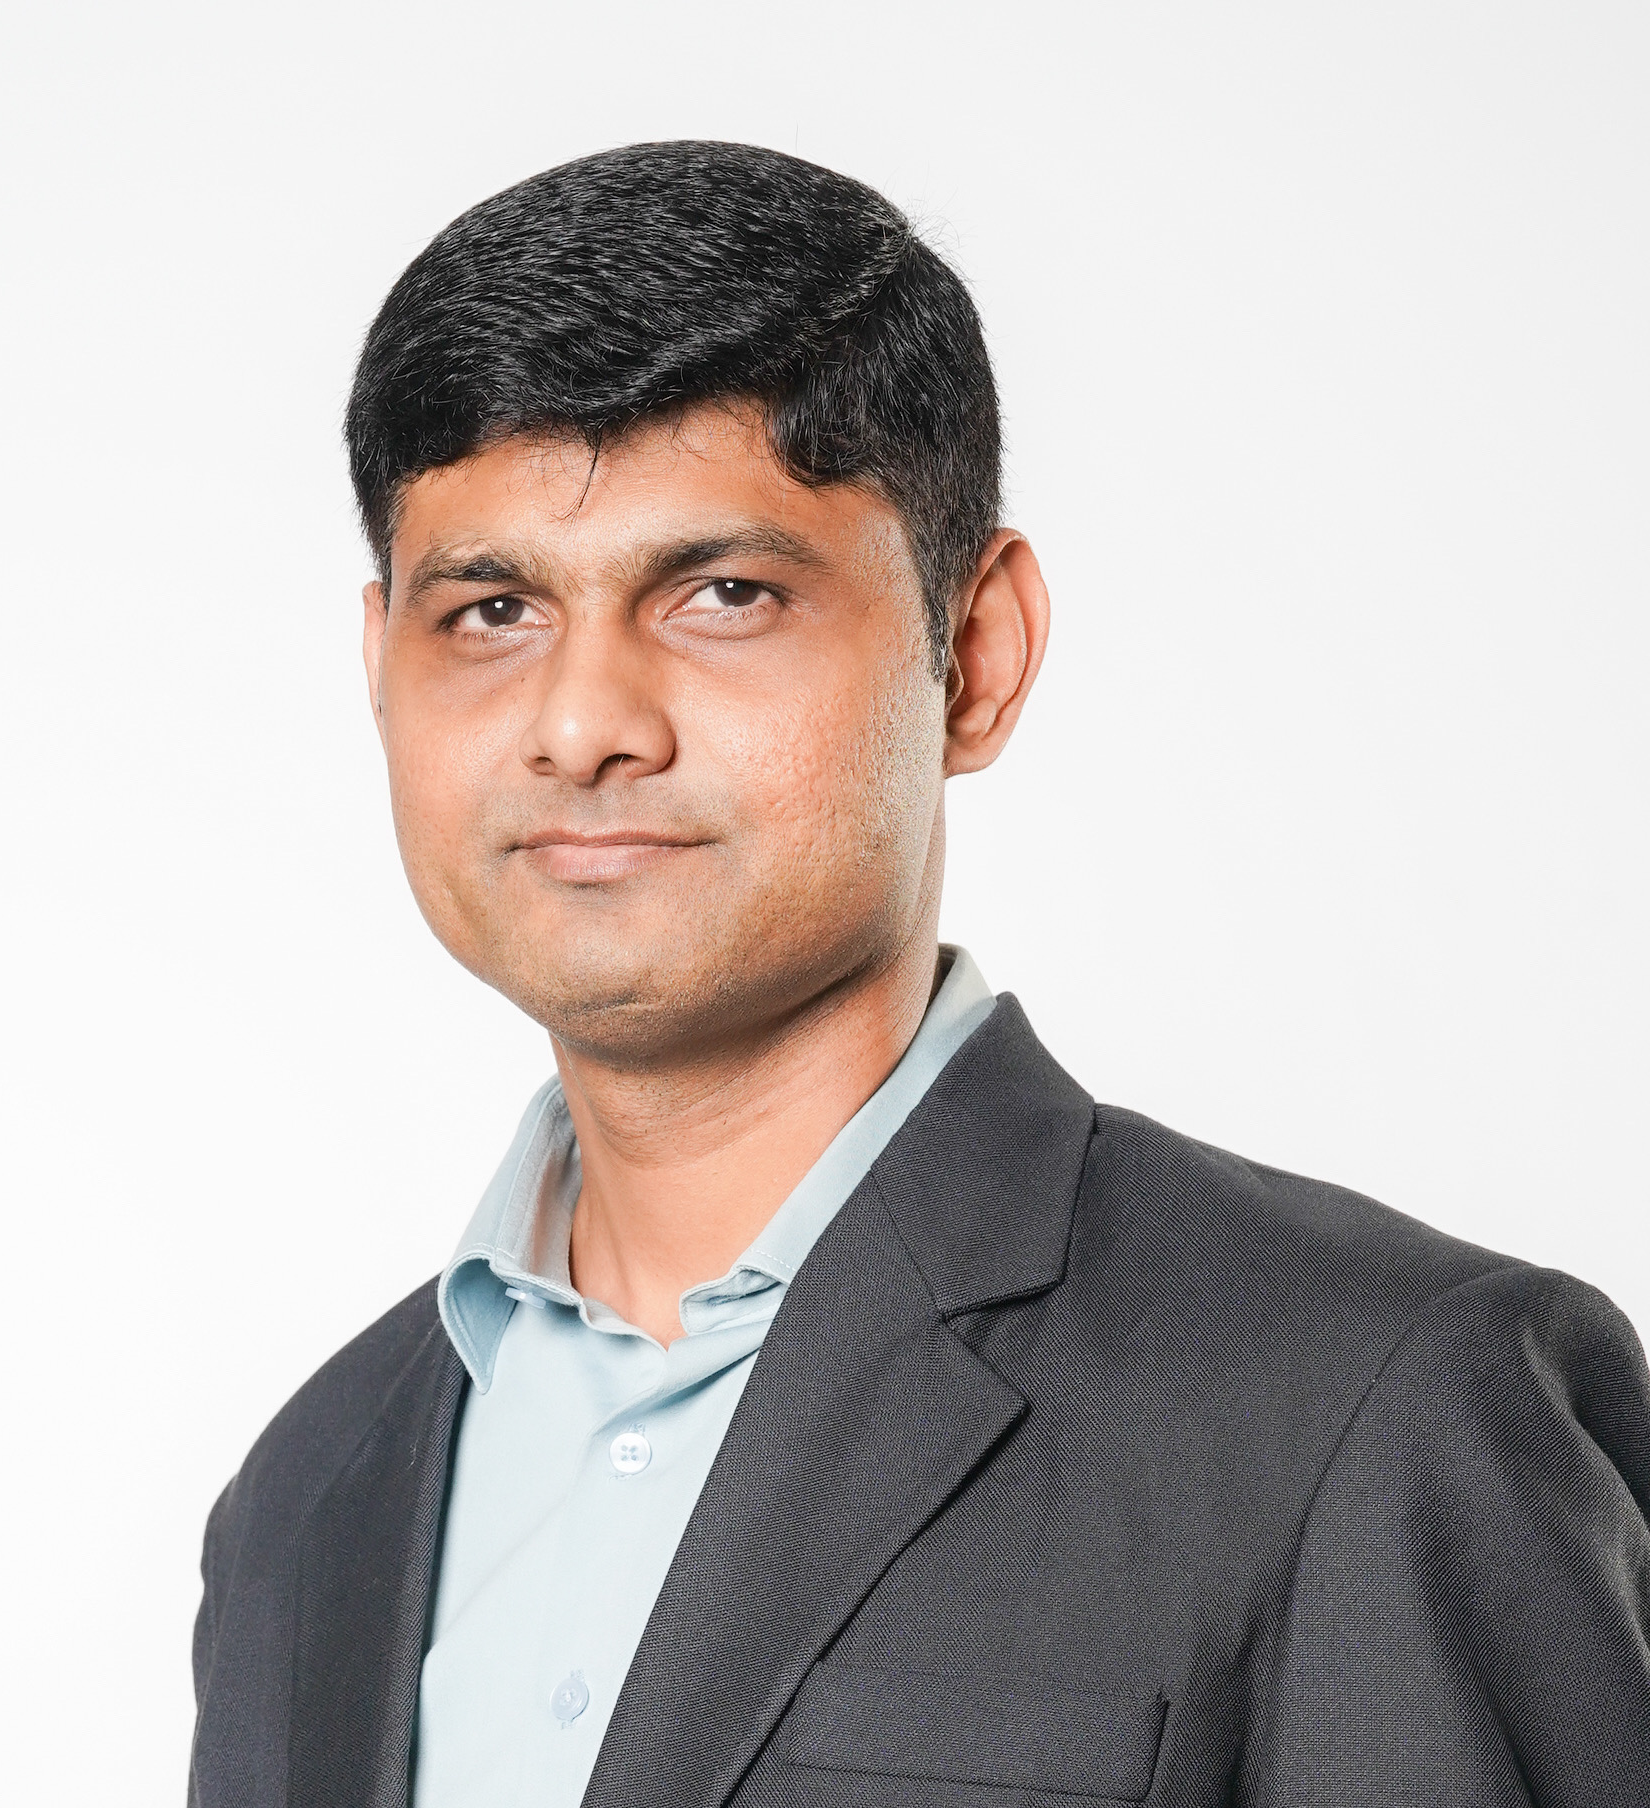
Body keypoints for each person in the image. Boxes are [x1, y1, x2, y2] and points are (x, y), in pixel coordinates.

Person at [187, 142, 1650, 1808]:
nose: (584, 725)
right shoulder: (307, 1507)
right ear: (380, 666)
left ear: (978, 652)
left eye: (724, 593)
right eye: (492, 610)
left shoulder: (1372, 1409)